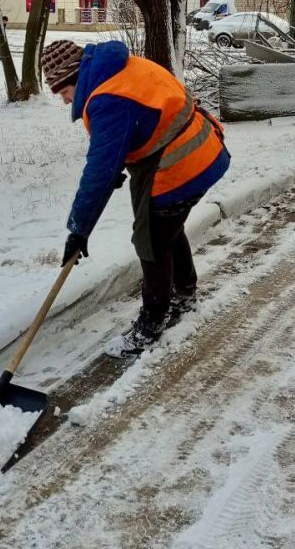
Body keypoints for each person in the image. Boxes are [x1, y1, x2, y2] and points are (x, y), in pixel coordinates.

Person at [42, 39, 230, 358]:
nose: (65, 101)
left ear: (74, 77)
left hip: (181, 162)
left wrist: (79, 230)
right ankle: (185, 294)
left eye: (63, 92)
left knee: (152, 240)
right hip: (203, 149)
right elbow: (144, 119)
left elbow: (98, 172)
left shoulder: (106, 100)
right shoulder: (121, 68)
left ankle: (150, 325)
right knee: (168, 227)